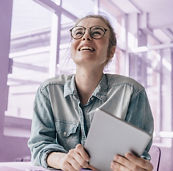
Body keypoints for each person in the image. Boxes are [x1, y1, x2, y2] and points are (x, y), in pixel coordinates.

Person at [28, 14, 154, 171]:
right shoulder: (48, 91)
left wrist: (136, 166)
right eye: (79, 32)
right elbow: (39, 145)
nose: (86, 36)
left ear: (111, 51)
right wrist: (62, 160)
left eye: (96, 32)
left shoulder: (132, 93)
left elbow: (139, 156)